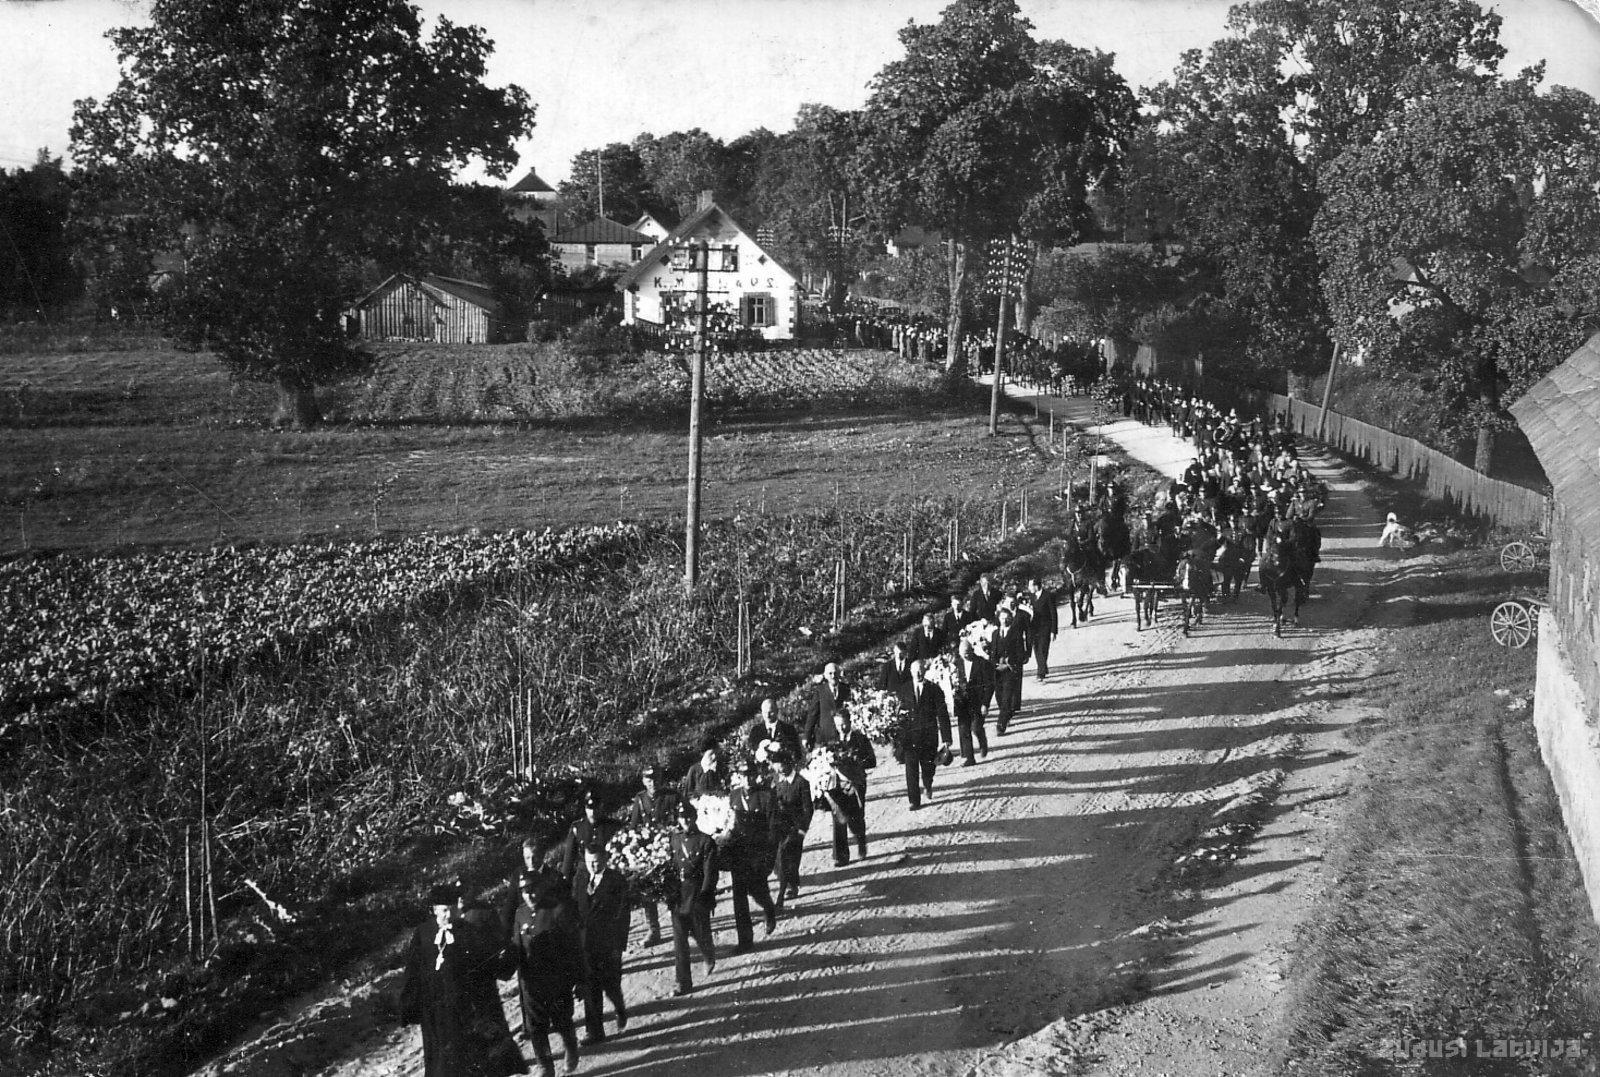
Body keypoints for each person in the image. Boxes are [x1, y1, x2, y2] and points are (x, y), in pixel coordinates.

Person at [399, 881, 527, 1077]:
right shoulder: (423, 933)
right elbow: (413, 971)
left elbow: (489, 963)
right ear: (434, 910)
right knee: (443, 1063)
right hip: (437, 1013)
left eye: (452, 910)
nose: (448, 915)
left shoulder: (470, 931)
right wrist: (408, 1004)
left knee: (471, 1061)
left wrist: (510, 957)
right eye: (444, 910)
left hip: (466, 1010)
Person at [510, 870, 585, 1077]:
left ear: (542, 888)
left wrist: (579, 979)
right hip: (531, 980)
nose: (529, 895)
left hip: (556, 979)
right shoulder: (520, 913)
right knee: (535, 1026)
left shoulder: (557, 910)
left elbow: (574, 948)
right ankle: (545, 1065)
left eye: (533, 889)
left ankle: (571, 1047)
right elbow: (517, 945)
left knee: (562, 1020)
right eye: (524, 891)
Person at [573, 844, 629, 1046]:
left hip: (608, 944)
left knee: (611, 985)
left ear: (605, 859)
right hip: (586, 944)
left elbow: (623, 916)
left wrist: (618, 946)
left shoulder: (616, 881)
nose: (593, 866)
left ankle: (619, 1007)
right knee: (590, 987)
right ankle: (594, 1031)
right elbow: (574, 907)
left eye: (597, 862)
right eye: (589, 862)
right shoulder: (580, 879)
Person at [726, 764, 779, 951]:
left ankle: (769, 909)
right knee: (739, 898)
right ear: (738, 777)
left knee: (758, 891)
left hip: (758, 854)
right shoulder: (733, 796)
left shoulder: (766, 797)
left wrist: (769, 860)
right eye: (743, 775)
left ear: (756, 776)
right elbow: (728, 824)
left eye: (750, 775)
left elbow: (773, 831)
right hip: (738, 853)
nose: (747, 779)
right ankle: (745, 941)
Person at [669, 799, 718, 996]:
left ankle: (708, 953)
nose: (685, 821)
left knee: (700, 932)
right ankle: (683, 982)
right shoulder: (675, 839)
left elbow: (710, 872)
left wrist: (706, 895)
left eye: (688, 817)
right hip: (680, 894)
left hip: (698, 893)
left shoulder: (706, 841)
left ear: (695, 817)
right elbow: (672, 866)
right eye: (682, 818)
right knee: (679, 940)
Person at [625, 764, 677, 946]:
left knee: (673, 887)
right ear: (643, 781)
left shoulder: (671, 796)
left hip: (669, 847)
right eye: (648, 779)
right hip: (650, 850)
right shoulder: (640, 799)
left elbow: (683, 818)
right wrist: (635, 843)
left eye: (655, 779)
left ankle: (680, 925)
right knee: (647, 889)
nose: (652, 783)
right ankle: (653, 929)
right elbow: (634, 826)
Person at [900, 659, 950, 810]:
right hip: (910, 738)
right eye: (915, 671)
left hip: (928, 737)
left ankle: (928, 784)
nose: (918, 674)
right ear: (911, 672)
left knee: (928, 767)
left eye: (921, 671)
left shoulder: (934, 689)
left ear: (925, 671)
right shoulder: (904, 689)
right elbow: (898, 713)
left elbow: (942, 714)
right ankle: (914, 800)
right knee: (911, 769)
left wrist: (947, 738)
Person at [769, 749, 813, 905]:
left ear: (788, 764)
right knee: (779, 857)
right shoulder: (777, 780)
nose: (778, 769)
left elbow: (808, 809)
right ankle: (789, 883)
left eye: (781, 765)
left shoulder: (801, 782)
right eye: (776, 766)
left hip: (795, 828)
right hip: (779, 826)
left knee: (791, 857)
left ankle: (790, 887)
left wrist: (802, 830)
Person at [560, 790, 618, 884]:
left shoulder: (612, 827)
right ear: (585, 808)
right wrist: (564, 882)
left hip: (606, 877)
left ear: (601, 806)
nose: (593, 812)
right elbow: (568, 860)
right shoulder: (578, 827)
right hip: (583, 877)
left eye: (596, 808)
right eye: (590, 808)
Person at [992, 607, 1027, 735]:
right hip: (997, 670)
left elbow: (1020, 653)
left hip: (1010, 670)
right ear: (998, 619)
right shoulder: (995, 633)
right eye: (1002, 618)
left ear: (1010, 619)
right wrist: (993, 664)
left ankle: (1001, 725)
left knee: (1007, 697)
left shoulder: (1016, 633)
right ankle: (1006, 714)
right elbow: (993, 651)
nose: (1004, 621)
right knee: (999, 696)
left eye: (1007, 618)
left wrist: (1009, 663)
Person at [803, 662, 851, 751]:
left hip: (843, 735)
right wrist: (806, 736)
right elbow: (812, 714)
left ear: (839, 674)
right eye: (830, 673)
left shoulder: (846, 689)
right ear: (825, 675)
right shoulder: (820, 691)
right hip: (825, 737)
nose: (833, 676)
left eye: (835, 673)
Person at [955, 640, 989, 765]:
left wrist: (985, 703)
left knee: (976, 727)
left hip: (977, 702)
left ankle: (982, 741)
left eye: (968, 652)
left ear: (972, 651)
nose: (966, 655)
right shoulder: (956, 664)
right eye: (963, 653)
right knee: (963, 729)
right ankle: (969, 757)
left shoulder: (982, 663)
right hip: (962, 702)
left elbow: (989, 685)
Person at [744, 697, 803, 762]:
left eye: (770, 712)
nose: (767, 715)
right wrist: (760, 750)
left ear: (777, 711)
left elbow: (797, 754)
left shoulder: (788, 729)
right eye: (765, 712)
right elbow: (750, 752)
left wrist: (781, 748)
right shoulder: (756, 730)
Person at [1025, 578, 1058, 681]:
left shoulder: (1048, 596)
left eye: (1030, 586)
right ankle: (1043, 667)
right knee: (1036, 649)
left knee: (1043, 649)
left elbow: (1053, 614)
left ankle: (1041, 673)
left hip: (1045, 627)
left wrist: (1053, 631)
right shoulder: (1031, 596)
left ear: (1036, 586)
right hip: (1034, 628)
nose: (1029, 588)